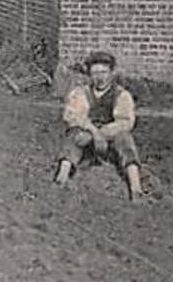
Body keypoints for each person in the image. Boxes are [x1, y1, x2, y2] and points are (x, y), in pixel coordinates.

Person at [54, 50, 145, 200]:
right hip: (88, 137)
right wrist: (93, 132)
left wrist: (103, 133)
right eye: (95, 73)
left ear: (111, 73)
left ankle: (135, 186)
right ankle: (61, 177)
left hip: (111, 139)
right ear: (89, 74)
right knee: (74, 137)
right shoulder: (81, 93)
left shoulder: (121, 95)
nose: (99, 77)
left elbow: (125, 121)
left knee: (125, 139)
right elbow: (74, 116)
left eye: (103, 72)